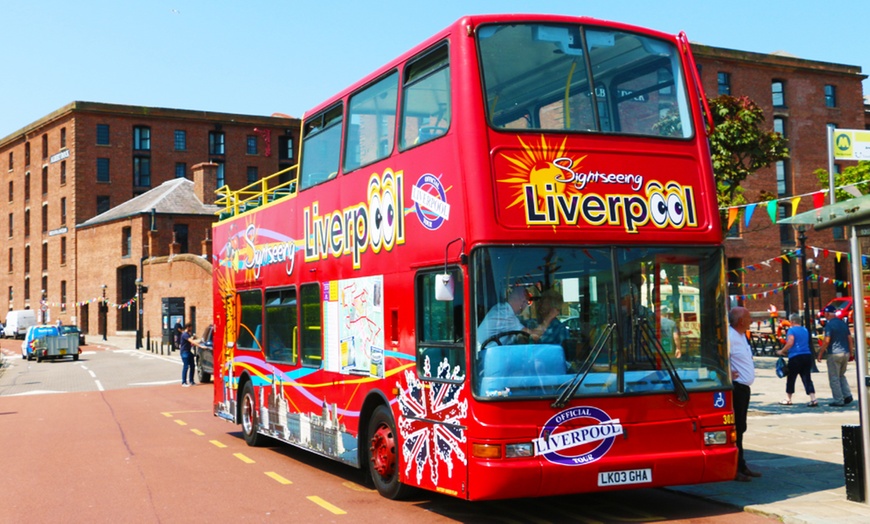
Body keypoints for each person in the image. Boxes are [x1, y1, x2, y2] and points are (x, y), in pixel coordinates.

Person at [728, 306, 762, 482]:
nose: (751, 320)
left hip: (744, 388)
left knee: (741, 428)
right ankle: (735, 468)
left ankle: (742, 465)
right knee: (737, 428)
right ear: (741, 321)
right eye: (749, 318)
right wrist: (726, 371)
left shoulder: (741, 335)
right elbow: (719, 357)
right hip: (736, 388)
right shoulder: (730, 336)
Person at [776, 313, 817, 407]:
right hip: (807, 355)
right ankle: (813, 398)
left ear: (792, 322)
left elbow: (790, 342)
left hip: (795, 356)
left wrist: (782, 351)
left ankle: (788, 399)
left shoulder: (791, 330)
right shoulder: (805, 330)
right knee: (807, 378)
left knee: (791, 377)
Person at [477, 286, 542, 346]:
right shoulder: (507, 316)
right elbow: (534, 336)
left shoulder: (500, 308)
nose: (526, 306)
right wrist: (550, 316)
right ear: (522, 302)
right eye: (527, 303)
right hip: (487, 354)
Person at [818, 304, 854, 406]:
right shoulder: (842, 323)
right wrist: (851, 353)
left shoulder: (829, 325)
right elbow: (849, 339)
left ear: (828, 314)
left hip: (834, 353)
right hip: (845, 352)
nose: (824, 315)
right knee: (841, 375)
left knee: (834, 378)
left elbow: (827, 341)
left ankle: (838, 400)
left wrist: (820, 353)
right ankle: (847, 395)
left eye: (825, 313)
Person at [179, 323, 204, 387]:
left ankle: (191, 381)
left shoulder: (187, 334)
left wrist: (199, 340)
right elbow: (192, 341)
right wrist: (200, 346)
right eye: (190, 327)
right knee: (186, 366)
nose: (191, 329)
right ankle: (184, 382)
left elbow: (191, 341)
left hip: (188, 352)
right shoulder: (184, 334)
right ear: (187, 327)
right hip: (184, 352)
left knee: (192, 366)